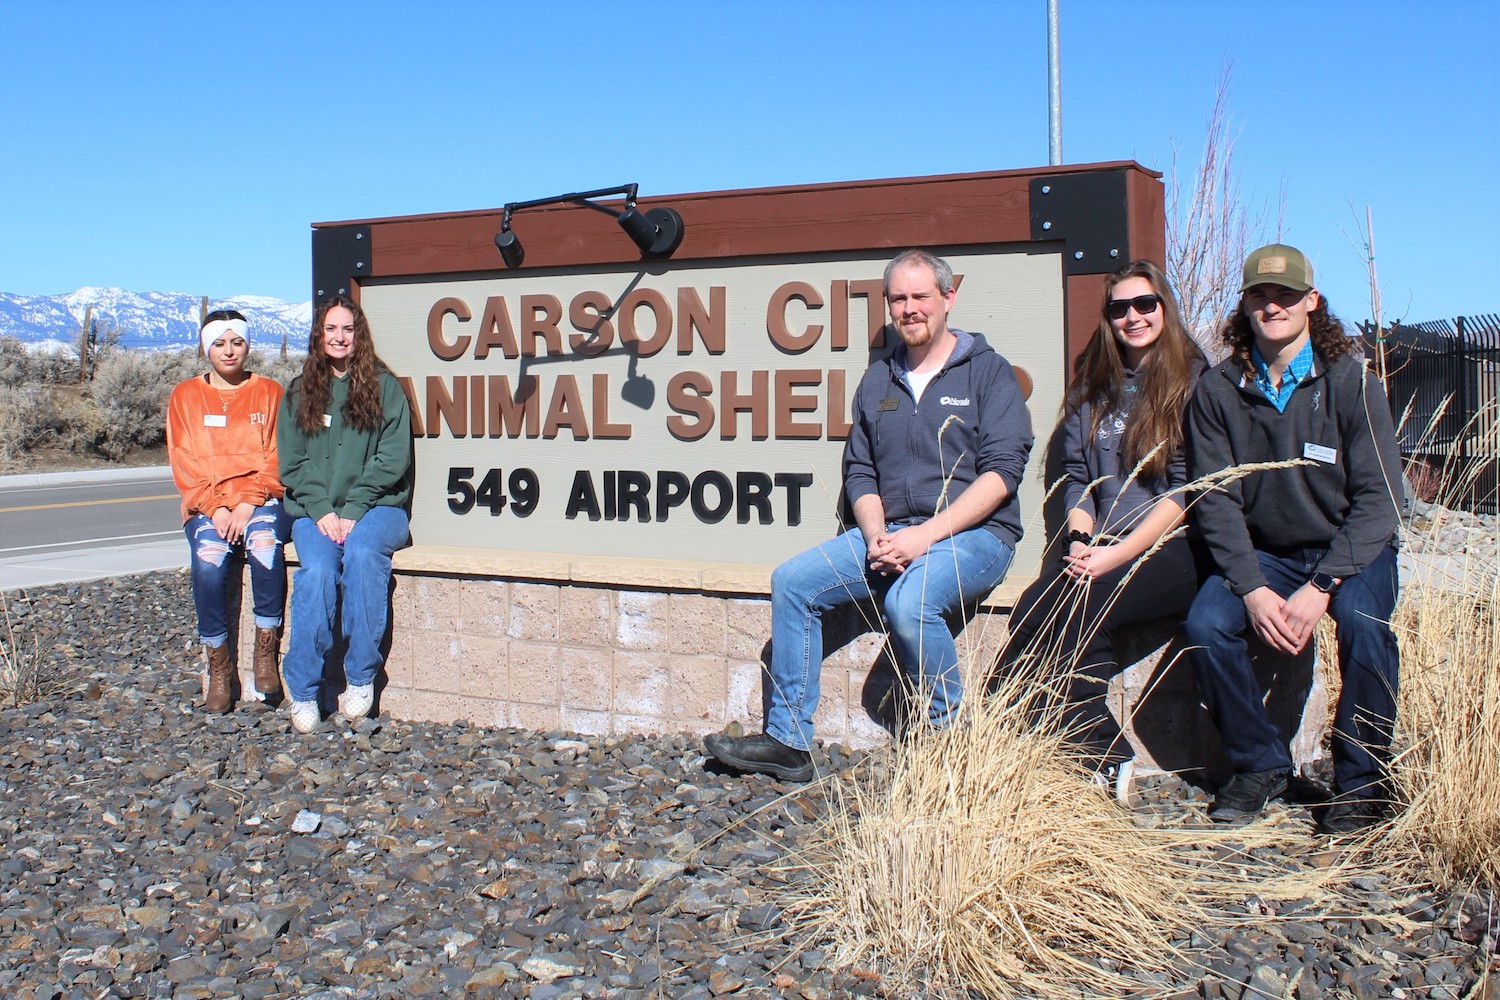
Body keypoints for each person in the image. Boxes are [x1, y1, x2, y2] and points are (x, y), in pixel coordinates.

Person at [704, 249, 1033, 781]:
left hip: (975, 538)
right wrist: (878, 535)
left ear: (948, 298)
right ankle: (788, 742)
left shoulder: (989, 374)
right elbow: (860, 471)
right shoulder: (879, 380)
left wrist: (922, 538)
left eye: (921, 296)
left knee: (910, 601)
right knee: (792, 583)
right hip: (891, 532)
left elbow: (1001, 476)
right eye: (898, 299)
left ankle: (952, 744)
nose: (910, 309)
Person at [1183, 243, 1402, 833]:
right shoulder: (1218, 390)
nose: (1272, 306)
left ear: (1312, 301)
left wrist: (1323, 584)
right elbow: (1216, 499)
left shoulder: (1352, 384)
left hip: (1350, 552)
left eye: (1285, 295)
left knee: (1364, 624)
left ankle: (1363, 783)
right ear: (1246, 305)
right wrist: (1252, 589)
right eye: (1260, 295)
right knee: (1206, 624)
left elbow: (1381, 502)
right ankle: (1259, 765)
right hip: (1267, 555)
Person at [991, 261, 1205, 785]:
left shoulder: (1197, 383)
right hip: (1102, 540)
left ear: (1164, 308)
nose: (1132, 317)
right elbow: (1079, 481)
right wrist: (1082, 537)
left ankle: (1102, 756)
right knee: (1034, 608)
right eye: (1119, 309)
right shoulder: (1095, 388)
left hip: (1176, 547)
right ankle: (1046, 742)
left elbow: (1184, 492)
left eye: (1144, 304)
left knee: (1085, 601)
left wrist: (1115, 553)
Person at [277, 295, 413, 734]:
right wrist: (321, 510)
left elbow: (392, 458)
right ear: (319, 335)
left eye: (348, 329)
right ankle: (303, 691)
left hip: (379, 508)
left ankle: (360, 677)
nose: (339, 337)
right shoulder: (299, 392)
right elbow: (293, 462)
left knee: (359, 556)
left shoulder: (384, 387)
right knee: (316, 572)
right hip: (314, 513)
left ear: (360, 335)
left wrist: (354, 509)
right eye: (330, 329)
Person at [167, 309, 291, 712]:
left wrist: (247, 501)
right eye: (219, 343)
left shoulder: (270, 392)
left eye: (236, 341)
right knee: (209, 559)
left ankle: (265, 652)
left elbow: (278, 454)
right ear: (207, 348)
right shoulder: (185, 397)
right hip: (209, 505)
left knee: (266, 545)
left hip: (259, 499)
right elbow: (184, 459)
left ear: (248, 345)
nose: (229, 351)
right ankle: (219, 666)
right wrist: (216, 509)